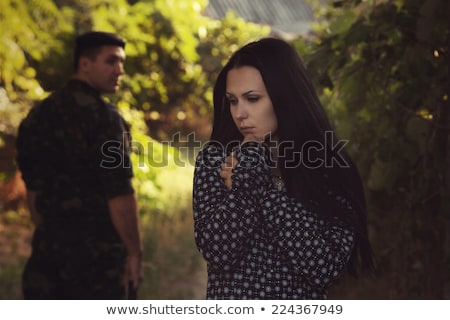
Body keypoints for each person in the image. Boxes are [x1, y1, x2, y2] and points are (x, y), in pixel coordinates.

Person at [192, 37, 374, 299]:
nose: (239, 113)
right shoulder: (217, 161)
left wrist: (262, 190)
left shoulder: (326, 165)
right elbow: (218, 251)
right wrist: (248, 180)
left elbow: (326, 269)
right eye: (233, 100)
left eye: (252, 99)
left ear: (285, 97)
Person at [16, 31, 143, 299]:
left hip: (47, 261)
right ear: (84, 64)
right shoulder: (104, 117)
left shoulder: (38, 114)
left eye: (122, 63)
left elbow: (33, 191)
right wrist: (134, 252)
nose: (119, 70)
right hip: (99, 267)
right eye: (111, 61)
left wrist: (52, 234)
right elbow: (119, 193)